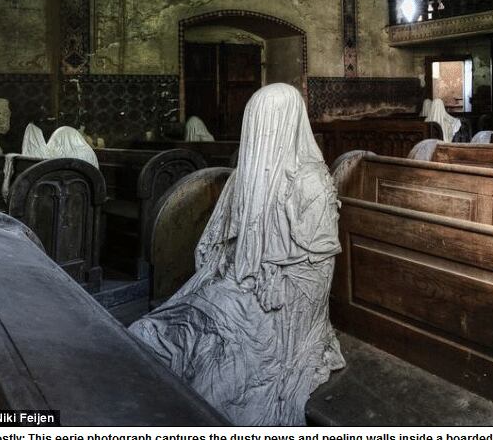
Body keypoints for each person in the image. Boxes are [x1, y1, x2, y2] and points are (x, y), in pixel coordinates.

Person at [129, 83, 344, 426]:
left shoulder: (311, 180)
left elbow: (319, 267)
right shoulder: (245, 177)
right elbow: (220, 243)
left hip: (287, 297)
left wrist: (269, 276)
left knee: (222, 371)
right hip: (240, 281)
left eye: (265, 122)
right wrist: (233, 274)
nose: (260, 133)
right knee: (158, 329)